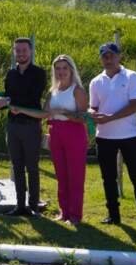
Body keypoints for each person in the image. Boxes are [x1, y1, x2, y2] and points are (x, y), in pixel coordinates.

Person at [11, 55, 89, 224]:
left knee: (75, 175)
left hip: (74, 133)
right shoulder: (52, 91)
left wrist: (64, 113)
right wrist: (22, 110)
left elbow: (83, 117)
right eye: (58, 68)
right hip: (56, 133)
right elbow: (44, 114)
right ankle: (64, 212)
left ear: (71, 70)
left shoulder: (77, 90)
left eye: (64, 68)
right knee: (61, 175)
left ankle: (75, 215)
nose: (61, 72)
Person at [88, 42, 136, 233]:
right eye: (104, 56)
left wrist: (111, 118)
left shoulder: (132, 76)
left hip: (129, 136)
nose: (108, 59)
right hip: (104, 136)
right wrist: (92, 113)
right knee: (108, 178)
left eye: (111, 55)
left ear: (119, 56)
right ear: (101, 58)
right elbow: (94, 106)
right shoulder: (95, 81)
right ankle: (113, 215)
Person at [0, 38, 47, 217]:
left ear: (30, 51)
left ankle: (33, 207)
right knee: (16, 166)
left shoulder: (39, 73)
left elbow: (31, 97)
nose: (20, 53)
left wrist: (9, 101)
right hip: (13, 126)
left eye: (23, 50)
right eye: (17, 50)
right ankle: (19, 205)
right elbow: (7, 99)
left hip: (31, 126)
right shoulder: (10, 74)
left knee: (32, 167)